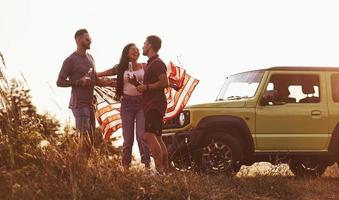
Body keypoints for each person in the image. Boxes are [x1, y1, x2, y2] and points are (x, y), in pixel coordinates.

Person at [96, 43, 151, 169]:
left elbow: (153, 79)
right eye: (133, 49)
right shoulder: (121, 68)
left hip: (142, 103)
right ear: (127, 53)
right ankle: (125, 167)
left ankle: (147, 166)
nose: (136, 51)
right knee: (128, 139)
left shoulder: (144, 66)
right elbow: (104, 73)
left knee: (142, 137)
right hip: (127, 104)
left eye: (137, 50)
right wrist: (94, 75)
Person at [56, 29, 97, 159]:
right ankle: (78, 166)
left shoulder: (91, 58)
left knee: (91, 139)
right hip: (79, 104)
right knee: (84, 137)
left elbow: (94, 78)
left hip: (90, 105)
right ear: (78, 40)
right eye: (87, 38)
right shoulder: (70, 60)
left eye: (90, 38)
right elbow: (59, 82)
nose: (90, 40)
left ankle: (84, 168)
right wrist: (78, 82)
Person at [136, 35, 169, 173]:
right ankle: (165, 170)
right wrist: (140, 86)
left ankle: (160, 170)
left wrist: (147, 87)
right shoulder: (151, 63)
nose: (142, 47)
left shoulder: (157, 63)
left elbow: (164, 82)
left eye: (144, 44)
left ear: (149, 45)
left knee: (148, 136)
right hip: (152, 104)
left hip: (155, 104)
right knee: (157, 137)